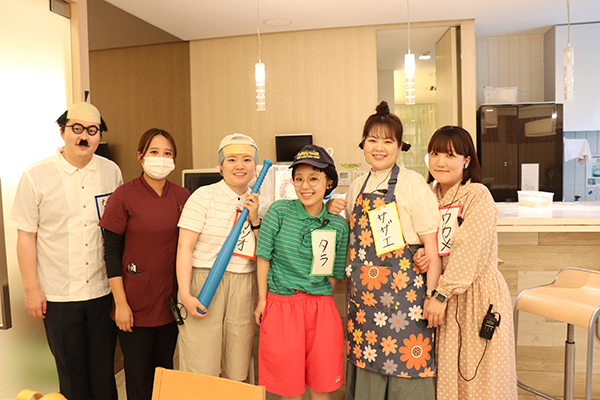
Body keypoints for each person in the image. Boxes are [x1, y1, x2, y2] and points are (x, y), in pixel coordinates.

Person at [327, 101, 441, 400]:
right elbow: (352, 237)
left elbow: (431, 248)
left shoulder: (413, 184)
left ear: (400, 146)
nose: (379, 148)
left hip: (405, 299)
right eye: (372, 140)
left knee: (407, 364)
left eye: (388, 141)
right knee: (367, 362)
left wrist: (432, 296)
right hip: (364, 301)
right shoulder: (356, 186)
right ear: (363, 144)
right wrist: (330, 209)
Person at [9, 101, 122, 400]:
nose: (84, 136)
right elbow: (26, 236)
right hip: (58, 295)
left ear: (99, 136)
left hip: (101, 291)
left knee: (104, 371)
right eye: (77, 129)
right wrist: (31, 289)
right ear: (62, 132)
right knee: (72, 375)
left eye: (92, 130)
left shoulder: (111, 171)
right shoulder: (36, 175)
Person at [414, 125, 517, 399]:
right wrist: (421, 255)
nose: (440, 162)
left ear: (467, 160)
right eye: (435, 154)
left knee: (480, 375)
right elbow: (426, 241)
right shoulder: (427, 195)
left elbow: (468, 249)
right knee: (450, 373)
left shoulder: (477, 195)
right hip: (442, 298)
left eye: (450, 155)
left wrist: (441, 294)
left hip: (474, 297)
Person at [99, 128, 190, 400]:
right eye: (154, 152)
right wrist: (121, 304)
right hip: (134, 304)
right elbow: (111, 253)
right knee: (139, 380)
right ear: (140, 157)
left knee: (165, 376)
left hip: (169, 302)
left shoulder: (183, 196)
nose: (161, 158)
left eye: (167, 153)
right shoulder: (123, 196)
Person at [254, 144, 349, 400]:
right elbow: (263, 257)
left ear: (329, 183)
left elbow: (335, 274)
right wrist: (262, 300)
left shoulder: (338, 225)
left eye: (314, 179)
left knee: (322, 387)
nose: (305, 186)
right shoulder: (278, 212)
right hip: (281, 306)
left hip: (321, 309)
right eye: (299, 179)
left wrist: (318, 298)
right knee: (289, 390)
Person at [176, 133, 264, 381]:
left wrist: (255, 218)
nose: (239, 166)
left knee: (237, 362)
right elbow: (184, 248)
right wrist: (185, 294)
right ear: (220, 165)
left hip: (243, 284)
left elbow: (263, 253)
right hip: (204, 281)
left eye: (247, 159)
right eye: (232, 159)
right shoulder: (202, 197)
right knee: (200, 360)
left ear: (255, 166)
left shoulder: (261, 203)